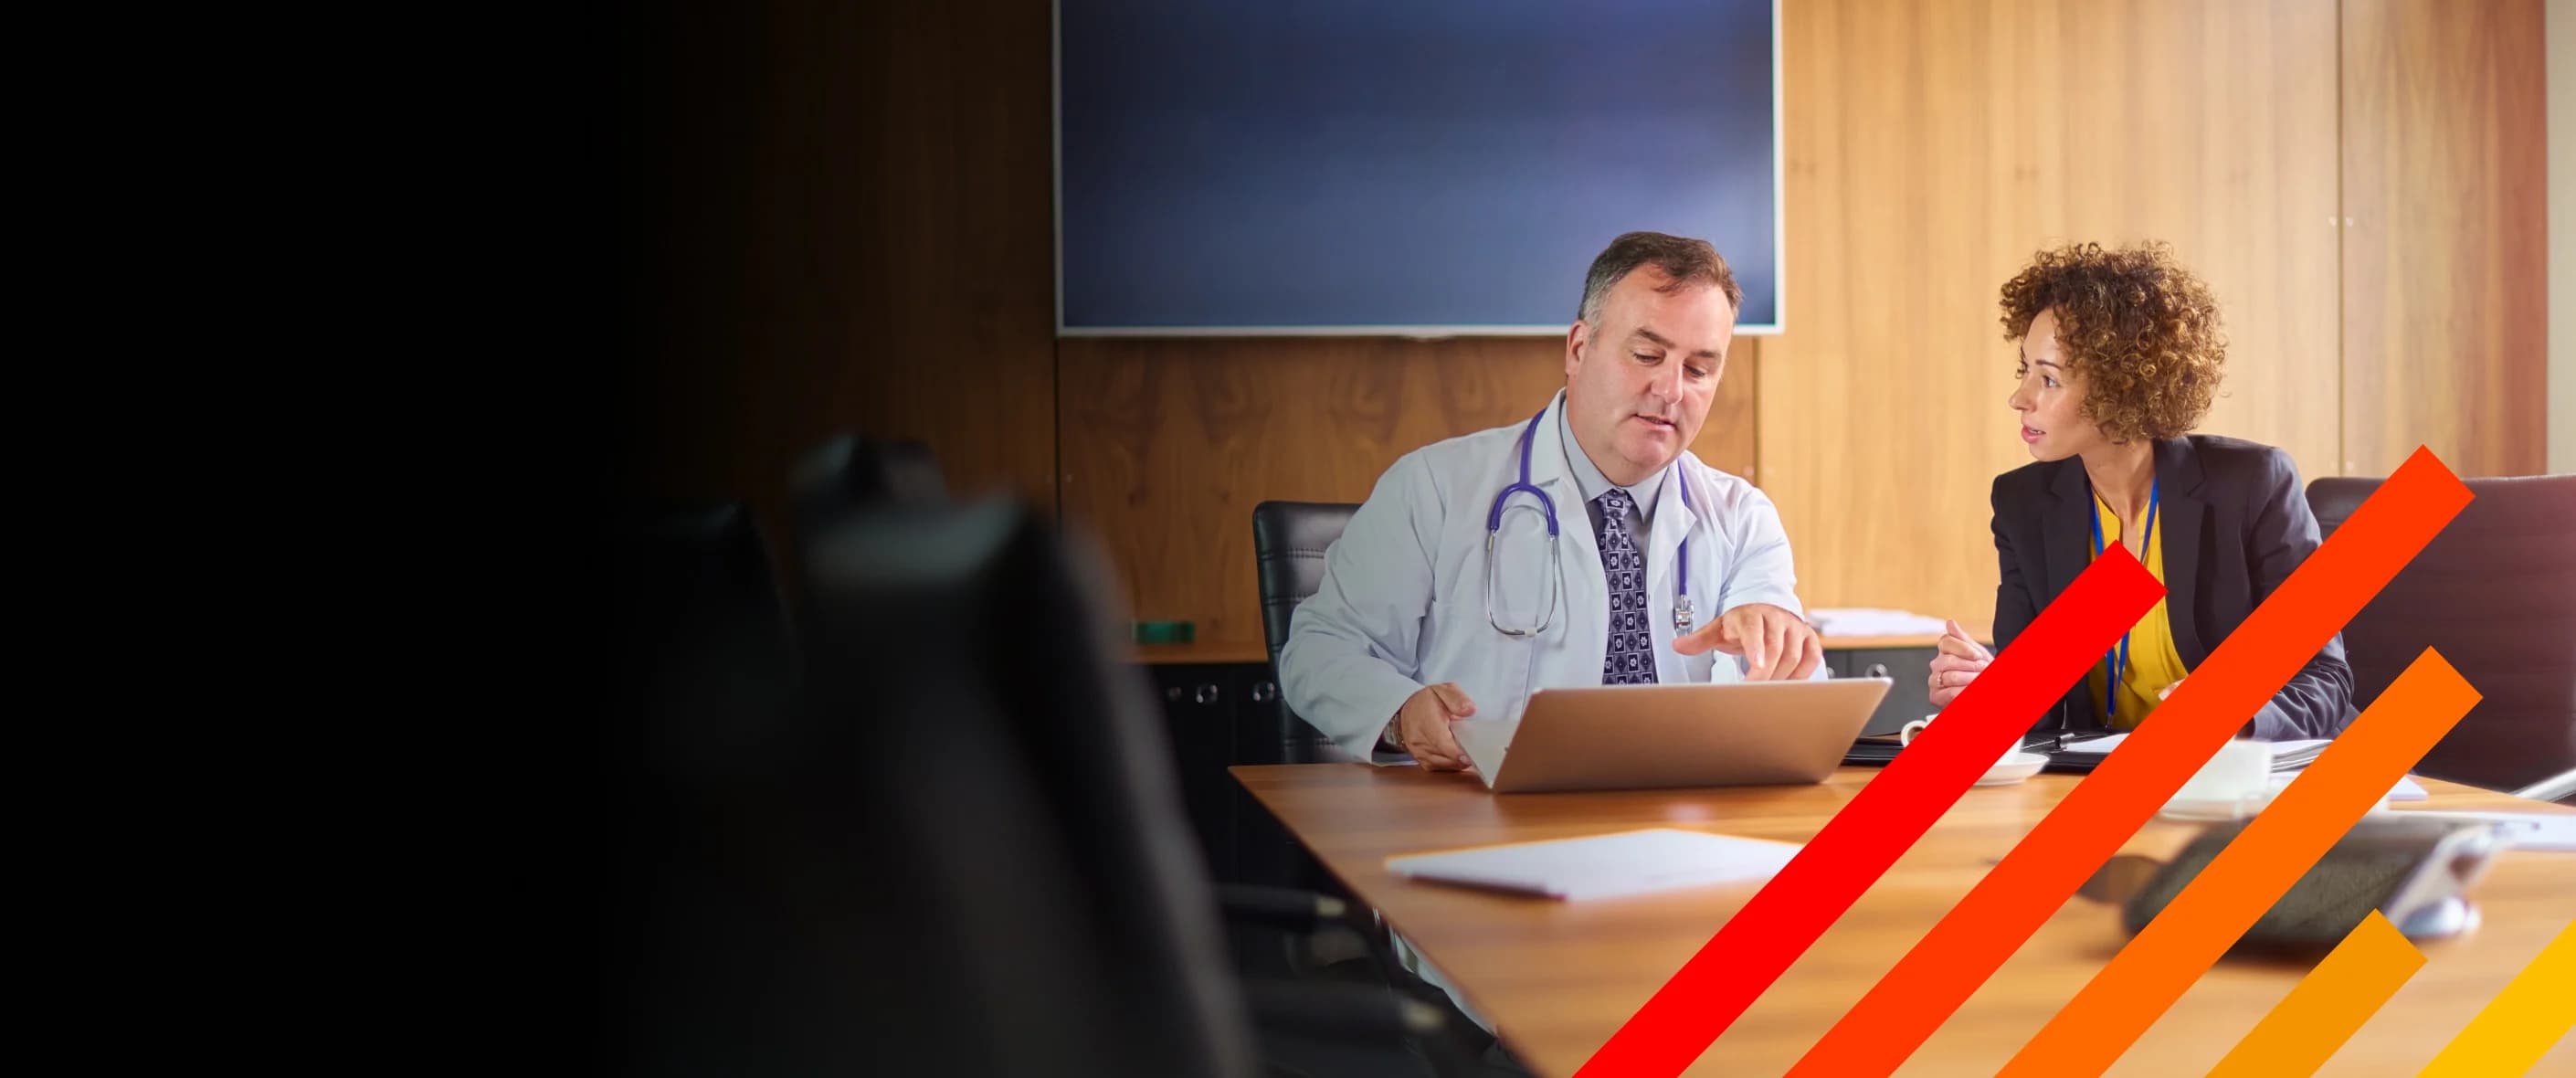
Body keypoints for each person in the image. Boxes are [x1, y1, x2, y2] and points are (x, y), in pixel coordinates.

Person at [1281, 230, 1826, 768]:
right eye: (1645, 354)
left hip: (1680, 821)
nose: (1671, 390)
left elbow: (1785, 678)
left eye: (1699, 370)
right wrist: (1400, 713)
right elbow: (1319, 651)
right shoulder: (1436, 487)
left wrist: (1778, 646)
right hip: (1484, 822)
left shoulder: (1742, 518)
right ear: (1579, 348)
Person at [1927, 241, 2356, 741]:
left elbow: (2324, 682)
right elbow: (2037, 713)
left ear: (2120, 387)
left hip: (2255, 779)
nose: (2019, 399)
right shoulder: (2027, 503)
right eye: (2025, 370)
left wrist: (2233, 718)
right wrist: (1989, 690)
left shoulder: (2250, 485)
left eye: (2048, 379)